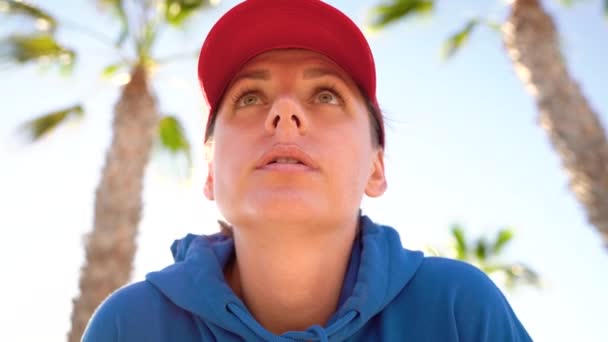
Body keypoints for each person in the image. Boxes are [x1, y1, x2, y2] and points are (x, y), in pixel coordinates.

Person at [83, 0, 532, 341]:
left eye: (325, 95)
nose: (283, 111)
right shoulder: (130, 326)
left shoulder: (457, 310)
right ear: (210, 175)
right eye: (249, 97)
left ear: (376, 167)